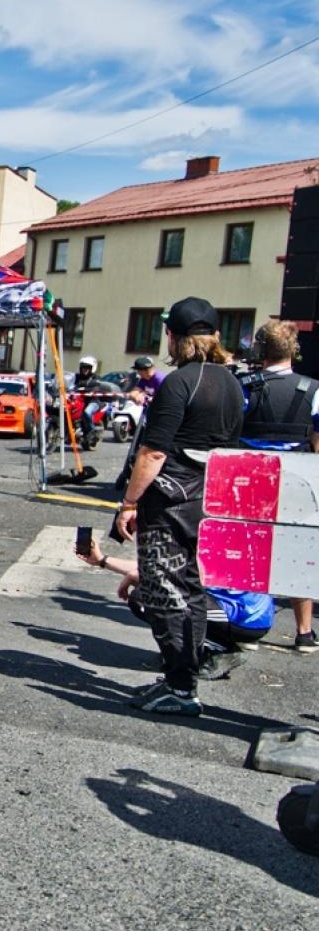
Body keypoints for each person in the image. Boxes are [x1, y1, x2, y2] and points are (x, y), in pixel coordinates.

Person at [116, 297, 245, 716]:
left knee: (164, 593)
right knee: (190, 590)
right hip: (209, 498)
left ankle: (180, 686)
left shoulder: (180, 381)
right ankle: (181, 679)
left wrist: (129, 502)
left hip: (170, 500)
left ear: (176, 337)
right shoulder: (230, 382)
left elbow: (153, 452)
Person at [74, 543, 273, 680]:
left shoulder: (206, 532)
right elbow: (157, 568)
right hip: (240, 613)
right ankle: (199, 650)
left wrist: (144, 575)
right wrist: (102, 560)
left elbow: (179, 575)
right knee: (150, 592)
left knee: (146, 598)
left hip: (242, 616)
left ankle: (217, 651)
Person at [237, 317, 318, 653]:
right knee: (297, 554)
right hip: (297, 479)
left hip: (251, 479)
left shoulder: (243, 385)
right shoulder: (313, 389)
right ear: (293, 351)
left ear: (260, 349)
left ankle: (245, 623)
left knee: (247, 551)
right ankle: (304, 633)